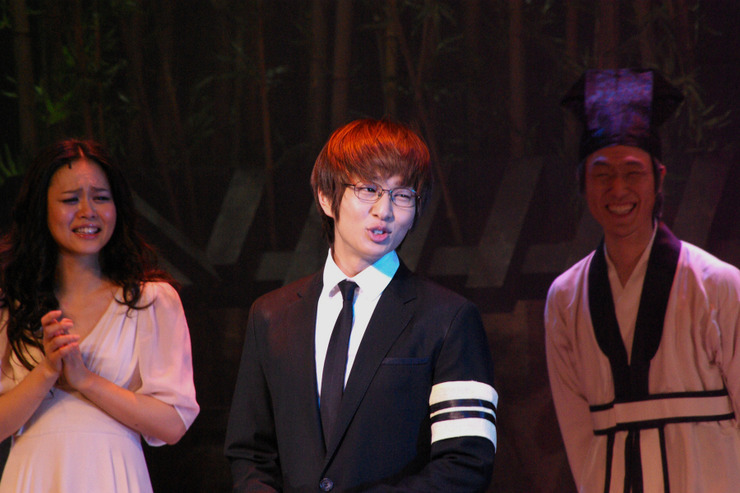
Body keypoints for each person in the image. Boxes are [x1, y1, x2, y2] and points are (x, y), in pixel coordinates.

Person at [225, 118, 497, 492]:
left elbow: (465, 464)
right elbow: (250, 453)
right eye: (369, 189)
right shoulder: (271, 315)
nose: (385, 210)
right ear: (326, 196)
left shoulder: (448, 318)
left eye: (403, 195)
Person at [545, 68, 740, 492]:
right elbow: (578, 436)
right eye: (602, 174)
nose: (618, 189)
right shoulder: (565, 298)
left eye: (633, 172)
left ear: (659, 178)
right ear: (583, 183)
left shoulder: (719, 286)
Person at [0, 139, 199, 492]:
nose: (88, 211)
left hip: (113, 474)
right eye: (70, 200)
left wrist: (86, 380)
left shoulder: (151, 300)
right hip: (34, 475)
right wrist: (46, 372)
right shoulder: (11, 304)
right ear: (41, 209)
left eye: (101, 198)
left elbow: (172, 424)